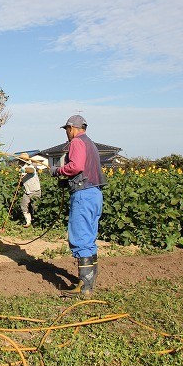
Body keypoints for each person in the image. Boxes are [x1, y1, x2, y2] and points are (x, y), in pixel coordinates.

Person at [50, 115, 106, 297]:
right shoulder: (91, 144)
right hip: (94, 194)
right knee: (89, 239)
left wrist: (57, 171)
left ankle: (84, 288)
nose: (66, 134)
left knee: (80, 238)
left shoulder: (76, 142)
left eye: (66, 130)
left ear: (72, 128)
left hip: (83, 196)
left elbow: (76, 166)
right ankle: (88, 284)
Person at [17, 153, 41, 228]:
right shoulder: (22, 169)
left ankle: (37, 222)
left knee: (35, 207)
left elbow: (30, 170)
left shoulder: (30, 167)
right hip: (27, 191)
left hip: (35, 190)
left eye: (20, 161)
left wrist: (23, 169)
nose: (19, 162)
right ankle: (28, 221)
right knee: (24, 206)